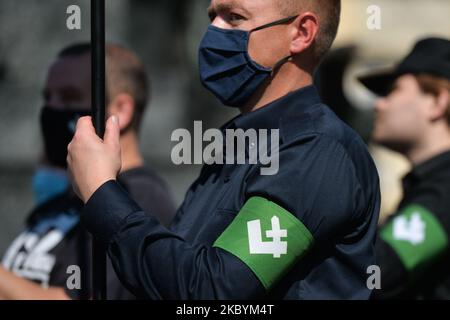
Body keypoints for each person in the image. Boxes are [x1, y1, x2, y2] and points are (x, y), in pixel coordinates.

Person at [68, 0, 380, 299]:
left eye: (234, 17)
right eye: (212, 16)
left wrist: (102, 193)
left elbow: (213, 292)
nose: (214, 30)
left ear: (300, 33)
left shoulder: (316, 150)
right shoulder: (236, 145)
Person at [0, 43, 176, 300]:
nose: (52, 109)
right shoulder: (68, 198)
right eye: (48, 97)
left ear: (120, 110)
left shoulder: (138, 197)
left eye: (69, 97)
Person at [359, 37, 450, 299]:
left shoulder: (444, 191)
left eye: (393, 90)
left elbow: (375, 274)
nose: (379, 104)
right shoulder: (430, 185)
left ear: (436, 102)